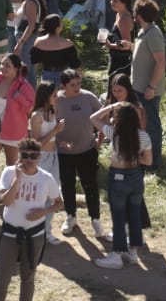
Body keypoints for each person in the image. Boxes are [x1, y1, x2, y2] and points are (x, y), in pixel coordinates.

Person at [0, 138, 62, 301]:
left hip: (34, 235)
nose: (29, 159)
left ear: (40, 157)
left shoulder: (46, 178)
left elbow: (59, 203)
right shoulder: (9, 172)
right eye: (25, 155)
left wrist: (44, 211)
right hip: (10, 233)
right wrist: (18, 178)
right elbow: (6, 201)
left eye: (33, 156)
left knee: (28, 277)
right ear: (19, 156)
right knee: (2, 278)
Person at [90, 101, 153, 269]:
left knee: (118, 218)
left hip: (118, 178)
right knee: (134, 216)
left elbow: (93, 118)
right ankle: (133, 253)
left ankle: (116, 256)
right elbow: (148, 160)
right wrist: (133, 158)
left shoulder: (115, 133)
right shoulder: (143, 136)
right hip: (136, 178)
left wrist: (111, 106)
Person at [52, 68, 106, 240]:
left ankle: (96, 220)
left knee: (90, 186)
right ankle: (70, 216)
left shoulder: (88, 97)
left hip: (87, 150)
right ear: (63, 86)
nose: (77, 87)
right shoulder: (56, 101)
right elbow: (49, 127)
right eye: (72, 84)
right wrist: (60, 143)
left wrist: (99, 140)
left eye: (79, 83)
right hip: (64, 153)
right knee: (67, 185)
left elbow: (102, 119)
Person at [0, 53, 35, 209]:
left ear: (17, 69)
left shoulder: (24, 86)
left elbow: (30, 107)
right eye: (2, 64)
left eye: (7, 65)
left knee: (12, 165)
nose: (3, 68)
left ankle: (12, 193)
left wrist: (19, 98)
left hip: (14, 132)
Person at [128, 0, 165, 169]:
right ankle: (146, 157)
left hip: (147, 90)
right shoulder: (144, 31)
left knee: (152, 127)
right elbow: (143, 52)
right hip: (139, 88)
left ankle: (154, 162)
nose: (133, 14)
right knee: (144, 125)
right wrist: (128, 46)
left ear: (139, 15)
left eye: (134, 12)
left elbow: (161, 62)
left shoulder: (154, 33)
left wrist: (151, 87)